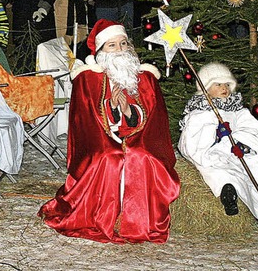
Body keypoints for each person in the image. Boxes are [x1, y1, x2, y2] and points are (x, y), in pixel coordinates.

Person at [39, 19, 180, 243]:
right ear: (101, 50)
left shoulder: (144, 78)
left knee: (141, 157)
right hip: (100, 139)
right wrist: (113, 108)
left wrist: (128, 109)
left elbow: (154, 118)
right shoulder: (88, 78)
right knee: (110, 157)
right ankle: (104, 217)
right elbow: (84, 120)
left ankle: (137, 222)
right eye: (112, 45)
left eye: (123, 44)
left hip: (137, 136)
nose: (119, 50)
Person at [178, 62, 258, 227]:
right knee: (223, 172)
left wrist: (244, 145)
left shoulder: (238, 110)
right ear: (206, 88)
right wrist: (215, 134)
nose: (224, 88)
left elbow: (253, 130)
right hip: (214, 153)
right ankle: (228, 194)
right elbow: (190, 141)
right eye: (218, 84)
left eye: (227, 84)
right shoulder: (199, 112)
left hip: (239, 152)